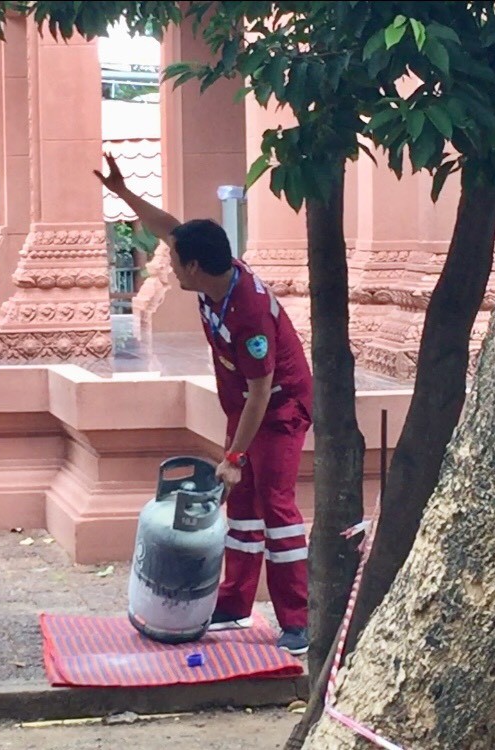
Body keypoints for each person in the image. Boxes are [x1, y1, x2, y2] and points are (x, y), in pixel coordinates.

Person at [95, 154, 312, 655]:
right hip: (246, 409)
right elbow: (169, 227)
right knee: (240, 507)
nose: (170, 266)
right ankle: (235, 604)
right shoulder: (211, 273)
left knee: (277, 509)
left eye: (174, 264)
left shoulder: (249, 313)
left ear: (194, 266)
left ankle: (296, 623)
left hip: (279, 410)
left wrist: (235, 456)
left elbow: (262, 391)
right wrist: (123, 193)